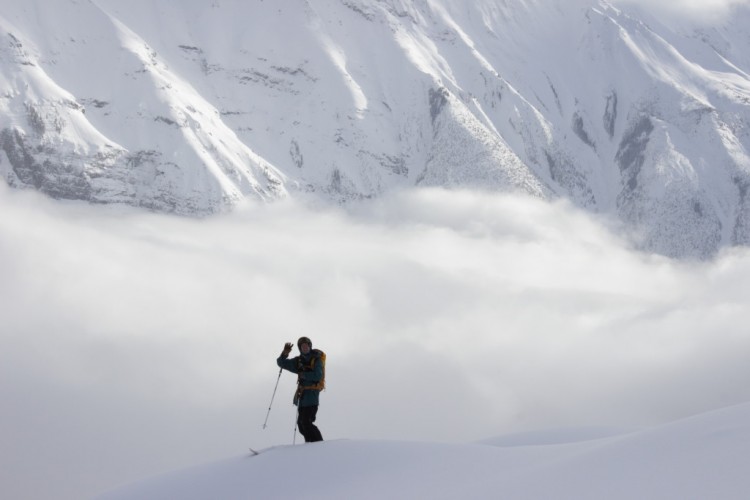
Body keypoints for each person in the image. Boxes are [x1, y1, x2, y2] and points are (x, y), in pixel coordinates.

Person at [277, 336, 324, 442]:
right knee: (302, 426)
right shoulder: (298, 361)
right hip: (302, 398)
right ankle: (312, 444)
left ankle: (319, 445)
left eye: (306, 345)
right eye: (302, 346)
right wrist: (284, 353)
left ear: (310, 346)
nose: (304, 347)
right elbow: (281, 363)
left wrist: (304, 375)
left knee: (306, 423)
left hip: (312, 396)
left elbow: (318, 376)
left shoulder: (316, 359)